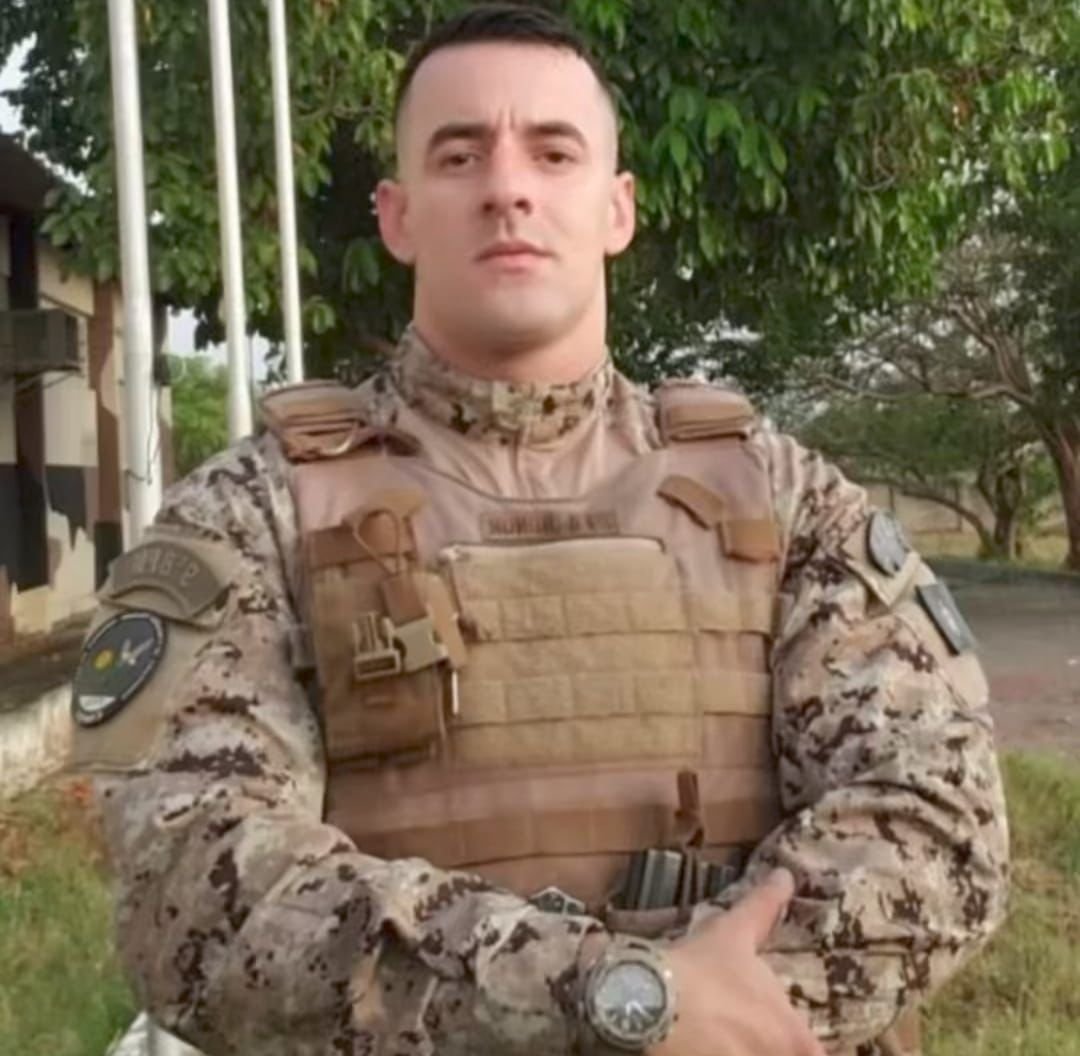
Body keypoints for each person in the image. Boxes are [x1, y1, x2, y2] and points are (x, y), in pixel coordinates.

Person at [69, 5, 1008, 1055]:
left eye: (553, 153)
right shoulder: (253, 513)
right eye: (459, 154)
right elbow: (193, 888)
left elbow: (940, 820)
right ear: (397, 216)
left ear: (617, 208)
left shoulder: (785, 498)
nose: (507, 187)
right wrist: (618, 1001)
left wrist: (716, 1013)